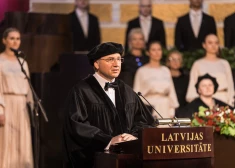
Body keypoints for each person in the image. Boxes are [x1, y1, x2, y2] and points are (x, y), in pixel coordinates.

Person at [63, 42, 155, 168]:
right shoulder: (81, 91)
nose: (116, 64)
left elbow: (144, 121)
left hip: (127, 161)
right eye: (110, 59)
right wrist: (108, 140)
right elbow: (77, 126)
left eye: (118, 59)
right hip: (95, 162)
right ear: (96, 64)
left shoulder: (127, 91)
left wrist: (133, 136)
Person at [0, 28, 34, 168]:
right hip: (7, 103)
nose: (15, 41)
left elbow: (28, 86)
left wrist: (31, 106)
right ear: (4, 40)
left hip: (21, 106)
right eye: (12, 38)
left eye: (18, 38)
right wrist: (0, 110)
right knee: (7, 140)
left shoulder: (23, 62)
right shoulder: (0, 61)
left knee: (22, 140)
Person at [133, 41, 179, 119]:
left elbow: (171, 92)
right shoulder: (142, 71)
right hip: (149, 106)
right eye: (153, 50)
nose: (157, 52)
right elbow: (136, 94)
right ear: (148, 52)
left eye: (159, 49)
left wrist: (172, 109)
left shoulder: (166, 70)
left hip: (165, 106)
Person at [186, 34, 234, 107]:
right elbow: (193, 86)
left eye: (216, 43)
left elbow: (230, 86)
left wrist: (230, 103)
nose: (213, 46)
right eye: (210, 43)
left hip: (223, 100)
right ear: (204, 45)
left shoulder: (224, 63)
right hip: (204, 101)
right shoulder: (198, 64)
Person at [166, 50, 189, 116]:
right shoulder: (164, 76)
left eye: (178, 59)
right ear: (168, 61)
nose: (175, 62)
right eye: (172, 59)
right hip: (167, 109)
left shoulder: (186, 78)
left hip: (183, 110)